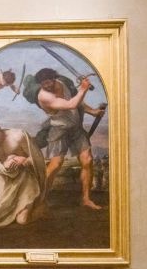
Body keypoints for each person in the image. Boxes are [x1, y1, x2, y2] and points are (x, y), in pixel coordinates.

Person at [32, 67, 107, 210]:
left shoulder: (62, 83)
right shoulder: (43, 96)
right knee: (55, 165)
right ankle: (40, 200)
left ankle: (86, 199)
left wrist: (92, 112)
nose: (46, 86)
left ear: (54, 78)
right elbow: (71, 104)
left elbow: (76, 101)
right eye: (43, 84)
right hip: (59, 130)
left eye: (48, 82)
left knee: (88, 160)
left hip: (76, 128)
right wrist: (83, 89)